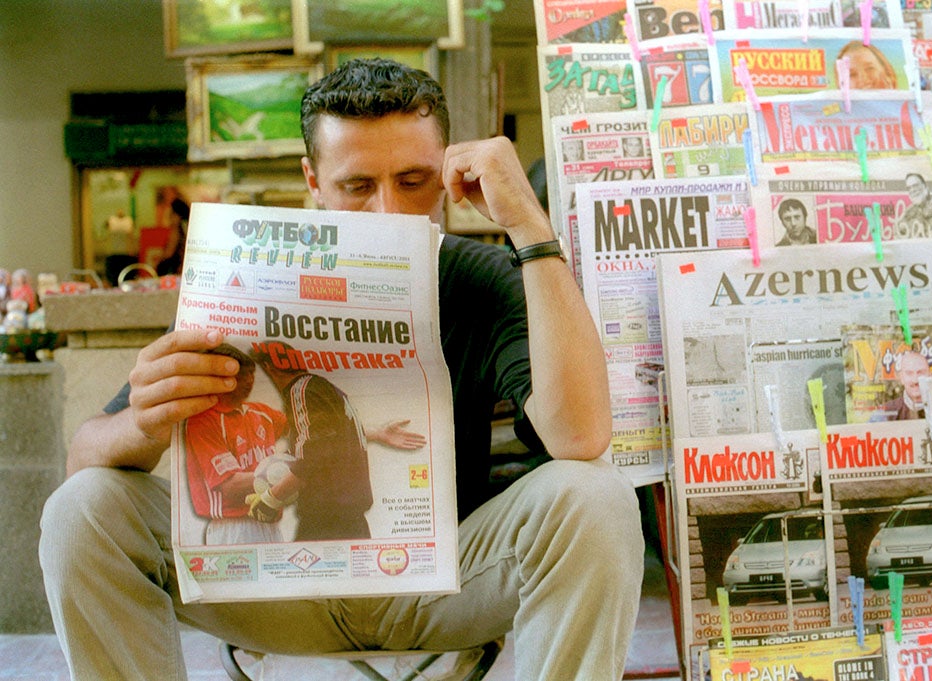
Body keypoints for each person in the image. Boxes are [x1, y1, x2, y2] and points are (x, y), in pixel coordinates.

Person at [39, 58, 643, 680]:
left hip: (443, 582)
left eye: (414, 181)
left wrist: (529, 226)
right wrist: (144, 421)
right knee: (81, 508)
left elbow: (580, 437)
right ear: (314, 181)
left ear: (447, 176)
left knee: (596, 496)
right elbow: (82, 464)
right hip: (276, 583)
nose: (389, 212)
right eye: (358, 187)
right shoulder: (247, 280)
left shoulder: (482, 280)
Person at [250, 340, 373, 541]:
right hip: (352, 521)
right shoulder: (327, 389)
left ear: (269, 368)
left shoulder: (302, 390)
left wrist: (271, 498)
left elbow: (314, 455)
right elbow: (332, 443)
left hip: (327, 522)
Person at [182, 344, 288, 545]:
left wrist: (356, 433)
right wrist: (289, 472)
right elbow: (230, 486)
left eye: (251, 374)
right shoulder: (203, 421)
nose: (249, 381)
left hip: (271, 525)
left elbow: (309, 429)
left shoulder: (261, 413)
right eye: (241, 375)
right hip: (234, 529)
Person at [880, 350, 932, 421]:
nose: (915, 380)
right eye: (909, 373)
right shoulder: (886, 413)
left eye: (920, 372)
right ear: (901, 378)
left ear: (929, 376)